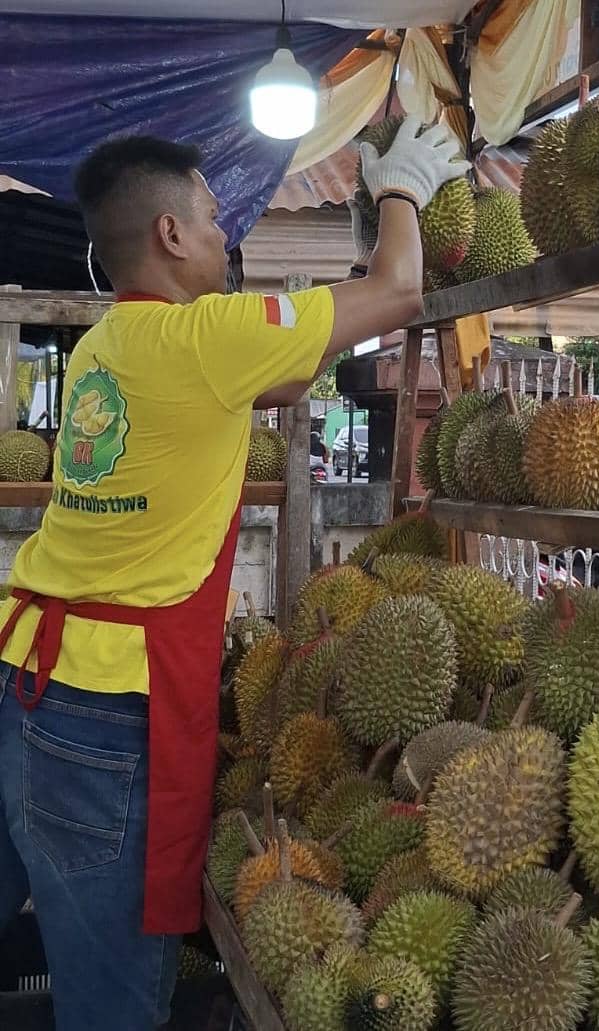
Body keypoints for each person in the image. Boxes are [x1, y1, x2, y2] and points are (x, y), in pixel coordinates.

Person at [0, 116, 466, 1031]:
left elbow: (285, 382)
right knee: (111, 1000)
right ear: (170, 235)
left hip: (25, 677)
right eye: (214, 218)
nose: (226, 235)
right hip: (105, 716)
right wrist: (401, 190)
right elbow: (401, 290)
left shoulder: (105, 347)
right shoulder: (206, 338)